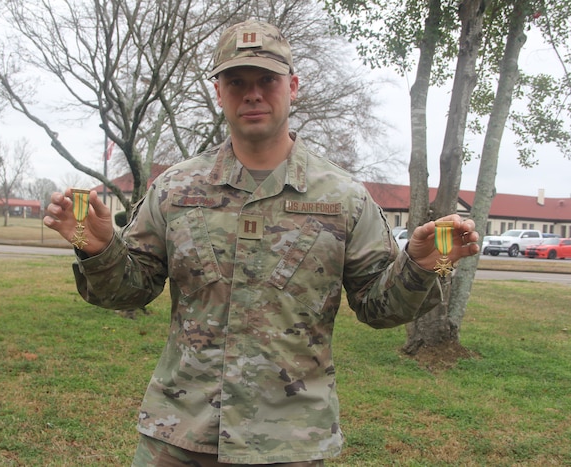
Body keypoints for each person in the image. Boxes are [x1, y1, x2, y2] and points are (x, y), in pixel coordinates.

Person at [44, 19, 480, 467]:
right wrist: (97, 247)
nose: (252, 93)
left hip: (289, 442)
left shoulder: (342, 197)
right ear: (219, 94)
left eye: (267, 80)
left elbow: (378, 306)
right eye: (236, 82)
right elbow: (129, 290)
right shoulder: (175, 189)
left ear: (293, 86)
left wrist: (425, 267)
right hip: (179, 436)